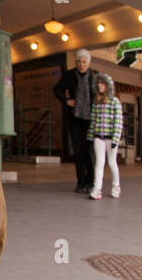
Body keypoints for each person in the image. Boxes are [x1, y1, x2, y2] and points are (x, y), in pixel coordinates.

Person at [52, 49, 98, 193]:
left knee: (89, 151)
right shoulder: (69, 75)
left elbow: (100, 94)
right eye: (79, 61)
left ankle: (91, 182)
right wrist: (66, 101)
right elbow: (57, 89)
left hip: (90, 119)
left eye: (84, 62)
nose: (81, 64)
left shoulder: (95, 76)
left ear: (88, 63)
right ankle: (81, 182)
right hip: (75, 118)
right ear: (76, 62)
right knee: (78, 152)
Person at [88, 73, 123, 201]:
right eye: (98, 83)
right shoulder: (96, 102)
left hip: (110, 138)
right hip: (98, 137)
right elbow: (93, 120)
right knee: (99, 163)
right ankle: (97, 189)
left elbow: (118, 122)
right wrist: (91, 137)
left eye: (102, 83)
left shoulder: (115, 102)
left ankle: (116, 187)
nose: (99, 85)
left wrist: (115, 139)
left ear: (108, 86)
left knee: (112, 163)